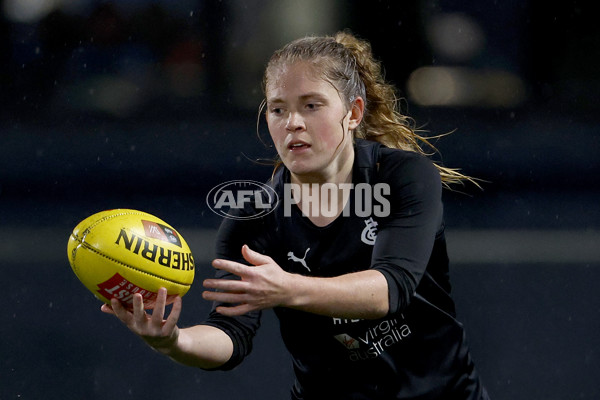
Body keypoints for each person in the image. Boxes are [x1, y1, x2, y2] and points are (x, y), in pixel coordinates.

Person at [102, 31, 490, 399]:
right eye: (278, 109)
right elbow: (230, 335)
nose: (293, 123)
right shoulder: (254, 218)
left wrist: (287, 288)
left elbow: (390, 289)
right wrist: (173, 341)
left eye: (311, 105)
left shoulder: (403, 176)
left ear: (353, 113)